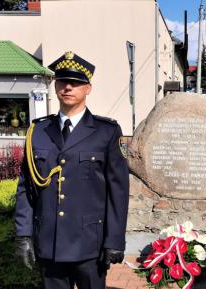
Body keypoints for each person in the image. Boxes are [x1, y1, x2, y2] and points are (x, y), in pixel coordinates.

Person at [14, 51, 130, 289]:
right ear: (55, 85)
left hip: (90, 244)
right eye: (62, 81)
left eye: (75, 82)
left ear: (88, 88)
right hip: (49, 241)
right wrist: (23, 235)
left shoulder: (106, 132)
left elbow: (118, 192)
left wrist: (114, 240)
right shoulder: (38, 131)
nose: (68, 87)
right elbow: (26, 187)